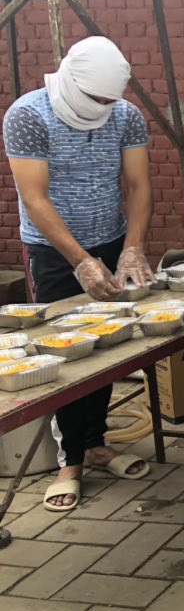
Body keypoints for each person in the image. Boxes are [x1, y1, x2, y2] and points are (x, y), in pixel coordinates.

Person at [2, 36, 155, 512]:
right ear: (70, 81)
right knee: (64, 352)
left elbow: (138, 184)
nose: (105, 107)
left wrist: (131, 248)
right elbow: (36, 198)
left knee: (107, 345)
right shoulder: (28, 116)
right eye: (98, 99)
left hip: (109, 238)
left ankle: (96, 443)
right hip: (52, 251)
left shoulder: (126, 116)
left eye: (111, 100)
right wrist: (80, 260)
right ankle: (70, 460)